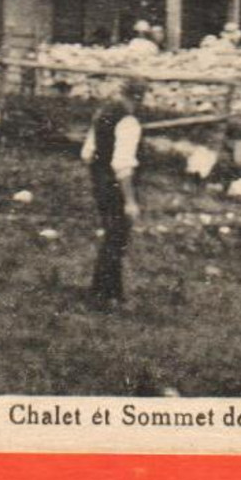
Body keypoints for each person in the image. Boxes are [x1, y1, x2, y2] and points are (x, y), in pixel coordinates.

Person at [80, 79, 146, 311]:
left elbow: (87, 153)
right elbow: (123, 164)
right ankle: (105, 294)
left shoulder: (101, 114)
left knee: (112, 236)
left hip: (100, 182)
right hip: (117, 184)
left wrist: (98, 177)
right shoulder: (128, 122)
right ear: (137, 99)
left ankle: (108, 292)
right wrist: (130, 200)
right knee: (116, 239)